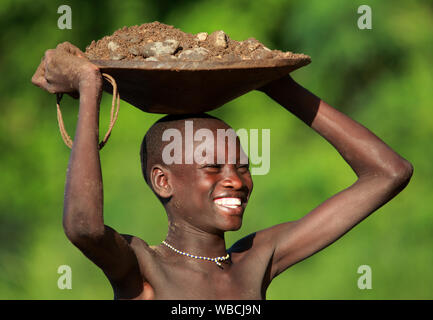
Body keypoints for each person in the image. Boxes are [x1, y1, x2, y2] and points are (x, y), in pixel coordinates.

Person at [32, 42, 413, 300]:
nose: (236, 180)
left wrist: (277, 86)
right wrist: (89, 85)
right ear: (163, 181)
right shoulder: (142, 265)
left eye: (243, 167)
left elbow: (389, 172)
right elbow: (84, 227)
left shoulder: (259, 258)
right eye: (212, 167)